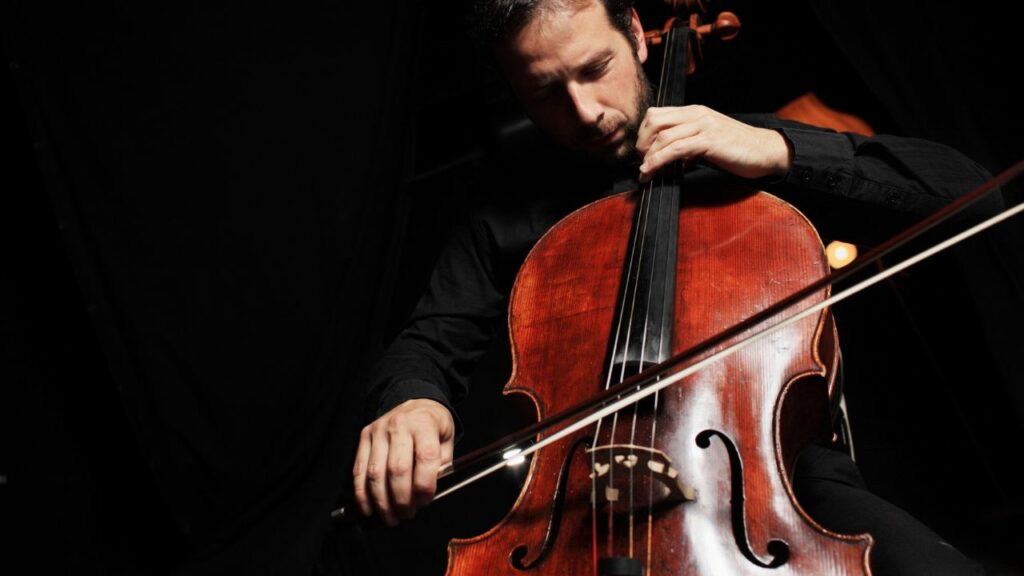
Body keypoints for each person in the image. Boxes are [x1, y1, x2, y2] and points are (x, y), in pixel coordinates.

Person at [351, 0, 1000, 573]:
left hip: (781, 492)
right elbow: (427, 343)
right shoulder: (500, 214)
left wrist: (779, 151)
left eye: (593, 68)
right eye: (546, 91)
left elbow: (973, 194)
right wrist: (411, 399)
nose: (585, 111)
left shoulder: (738, 145)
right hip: (582, 509)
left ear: (635, 32)